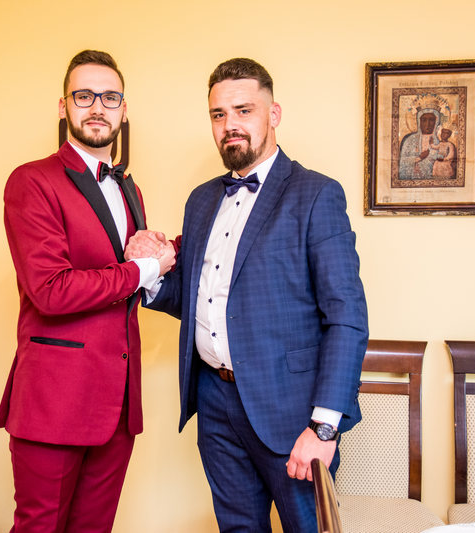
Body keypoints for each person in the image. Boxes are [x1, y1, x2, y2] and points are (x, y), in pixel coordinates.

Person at [126, 58, 368, 532]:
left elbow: (347, 318)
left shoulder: (316, 195)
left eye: (244, 110)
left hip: (291, 412)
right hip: (215, 404)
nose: (230, 125)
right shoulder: (201, 200)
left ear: (273, 114)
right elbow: (198, 297)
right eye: (219, 114)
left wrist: (323, 427)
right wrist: (151, 272)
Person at [0, 49, 175, 533]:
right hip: (55, 400)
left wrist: (166, 253)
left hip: (118, 403)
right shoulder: (32, 180)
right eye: (84, 96)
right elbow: (50, 290)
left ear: (123, 109)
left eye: (110, 97)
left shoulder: (129, 188)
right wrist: (143, 269)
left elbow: (128, 277)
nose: (98, 107)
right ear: (63, 106)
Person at [398, 107, 442, 179]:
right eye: (424, 120)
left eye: (431, 120)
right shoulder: (410, 140)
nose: (427, 124)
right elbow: (402, 162)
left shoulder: (439, 141)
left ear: (436, 122)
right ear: (419, 122)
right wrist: (419, 158)